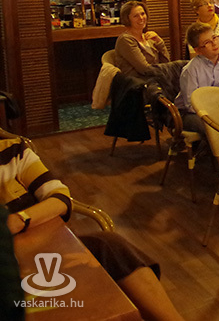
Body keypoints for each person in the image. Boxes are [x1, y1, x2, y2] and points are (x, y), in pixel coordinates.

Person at [1, 136, 185, 321]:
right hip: (11, 267)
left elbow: (60, 198)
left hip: (44, 246)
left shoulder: (12, 151)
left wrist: (19, 219)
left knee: (109, 245)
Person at [174, 23, 219, 163]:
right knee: (217, 127)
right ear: (198, 50)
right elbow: (190, 104)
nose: (214, 43)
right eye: (207, 42)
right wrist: (216, 115)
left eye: (214, 37)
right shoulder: (191, 70)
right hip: (191, 113)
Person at [115, 0, 170, 80]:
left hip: (155, 79)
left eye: (143, 14)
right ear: (127, 19)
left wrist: (159, 42)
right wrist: (165, 73)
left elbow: (167, 62)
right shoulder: (125, 40)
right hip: (139, 83)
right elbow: (144, 69)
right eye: (135, 16)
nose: (141, 18)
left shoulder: (149, 38)